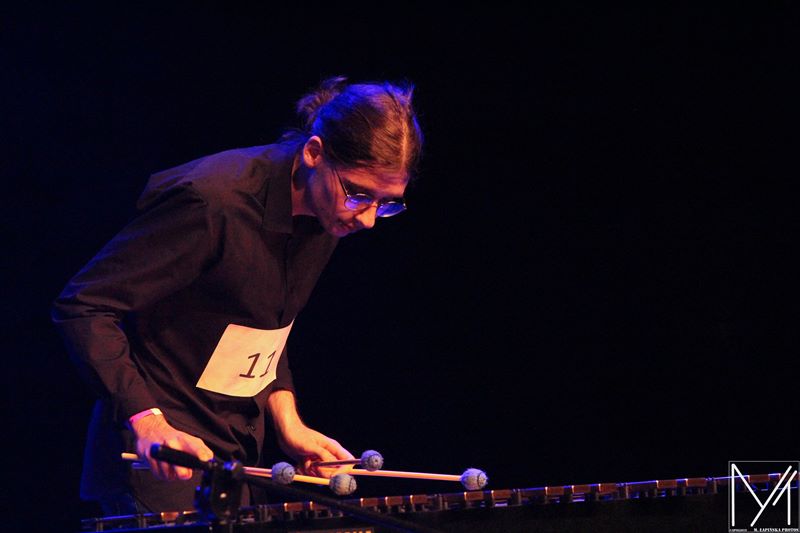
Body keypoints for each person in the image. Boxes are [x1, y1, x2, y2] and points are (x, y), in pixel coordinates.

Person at [51, 76, 423, 514]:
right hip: (160, 458)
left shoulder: (329, 212)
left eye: (386, 202)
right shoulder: (214, 203)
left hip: (236, 457)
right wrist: (147, 421)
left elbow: (262, 325)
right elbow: (85, 305)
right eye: (359, 194)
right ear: (314, 153)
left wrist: (288, 422)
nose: (368, 219)